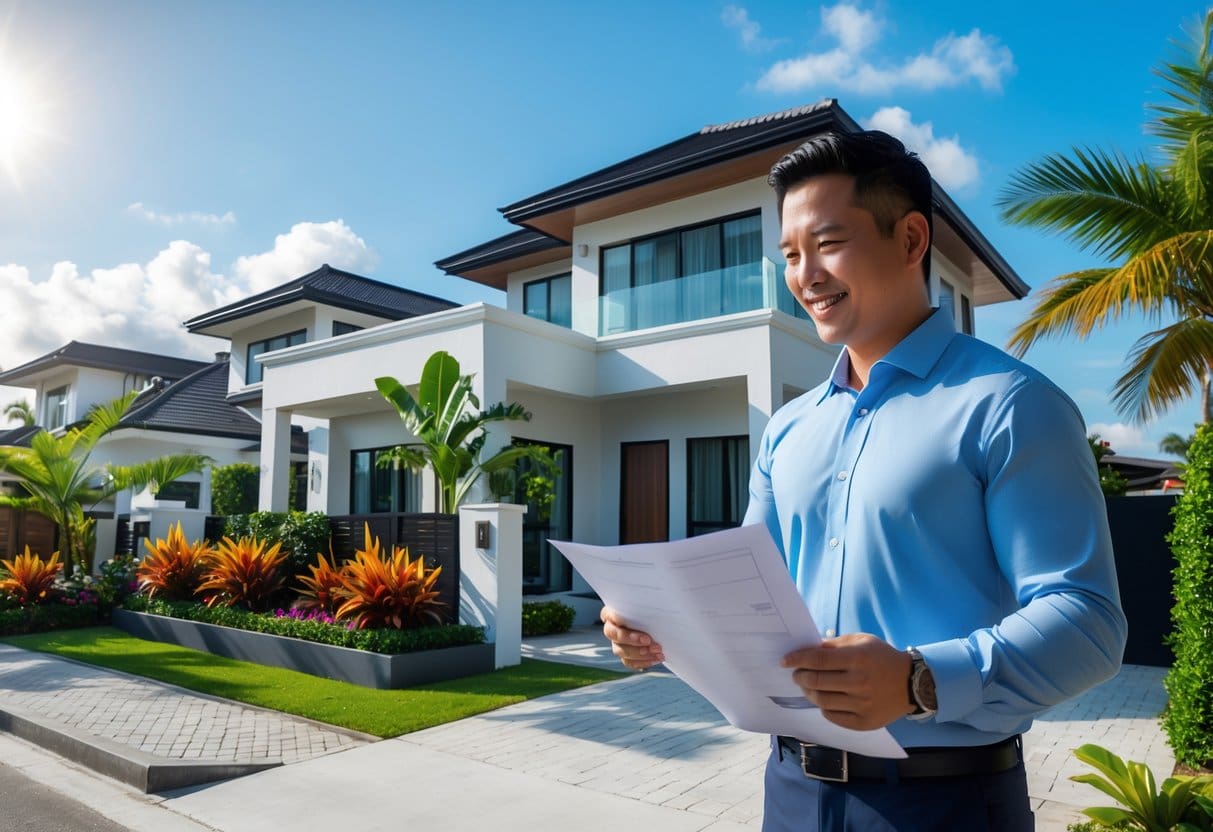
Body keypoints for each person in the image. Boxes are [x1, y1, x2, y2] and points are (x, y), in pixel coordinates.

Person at [601, 129, 1127, 831]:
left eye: (827, 242)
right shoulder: (788, 429)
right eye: (789, 254)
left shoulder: (1010, 405)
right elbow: (748, 594)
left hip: (943, 802)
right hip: (788, 790)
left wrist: (918, 681)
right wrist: (660, 630)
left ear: (910, 240)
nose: (804, 275)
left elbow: (1088, 624)